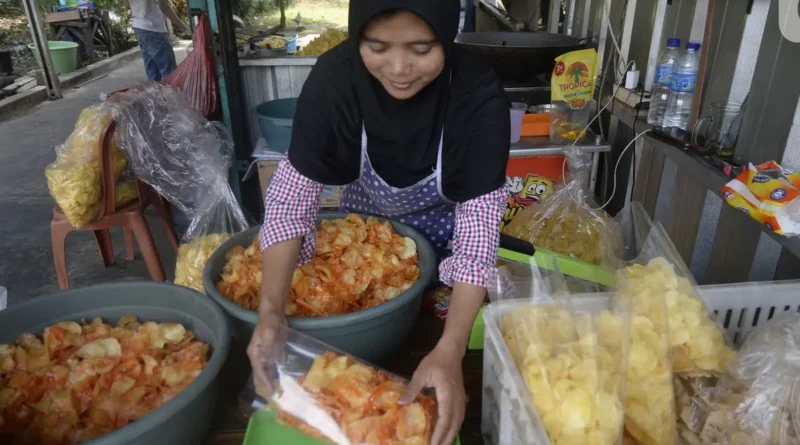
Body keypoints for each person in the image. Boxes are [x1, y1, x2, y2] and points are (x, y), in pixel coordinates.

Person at [248, 1, 510, 444]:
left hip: (452, 257)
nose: (400, 68)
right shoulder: (337, 77)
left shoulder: (476, 91)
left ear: (446, 36)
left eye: (422, 49)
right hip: (368, 242)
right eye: (377, 47)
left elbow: (479, 229)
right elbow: (293, 197)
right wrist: (270, 313)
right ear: (357, 39)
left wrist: (449, 350)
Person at [125, 0, 188, 81]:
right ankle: (170, 93)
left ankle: (154, 93)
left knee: (153, 72)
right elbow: (164, 7)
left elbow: (127, 5)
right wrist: (184, 27)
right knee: (170, 72)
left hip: (139, 28)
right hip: (153, 29)